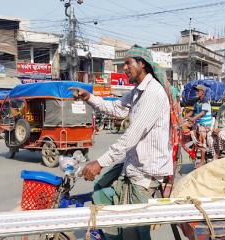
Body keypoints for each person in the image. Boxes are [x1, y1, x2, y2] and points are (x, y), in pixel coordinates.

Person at [70, 46, 172, 240]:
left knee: (133, 230)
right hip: (132, 165)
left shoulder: (152, 94)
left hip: (145, 171)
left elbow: (130, 137)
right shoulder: (137, 92)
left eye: (128, 63)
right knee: (101, 191)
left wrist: (99, 162)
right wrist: (89, 97)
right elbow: (116, 108)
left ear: (142, 64)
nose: (124, 68)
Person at [183, 85, 212, 166]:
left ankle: (202, 161)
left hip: (204, 124)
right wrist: (185, 117)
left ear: (202, 92)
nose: (196, 92)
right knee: (183, 126)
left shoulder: (205, 101)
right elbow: (193, 111)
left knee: (201, 137)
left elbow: (203, 112)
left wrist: (193, 118)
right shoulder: (197, 101)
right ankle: (193, 143)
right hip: (197, 122)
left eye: (198, 91)